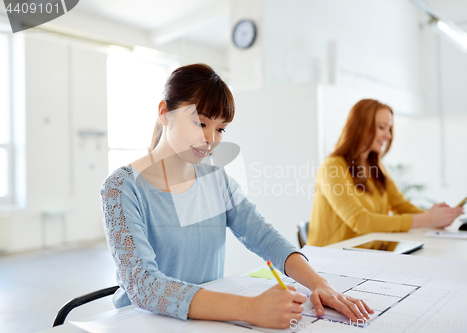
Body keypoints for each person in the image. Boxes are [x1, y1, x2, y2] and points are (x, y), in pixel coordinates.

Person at [100, 64, 373, 329]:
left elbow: (262, 235)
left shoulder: (216, 179)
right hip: (140, 324)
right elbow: (143, 285)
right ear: (164, 112)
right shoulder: (121, 187)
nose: (210, 139)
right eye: (200, 123)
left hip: (203, 321)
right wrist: (250, 309)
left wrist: (318, 283)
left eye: (220, 129)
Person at [307, 99, 464, 246]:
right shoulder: (332, 167)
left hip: (367, 255)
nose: (388, 136)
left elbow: (400, 205)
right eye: (382, 127)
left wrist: (435, 217)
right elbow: (359, 221)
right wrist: (427, 219)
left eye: (389, 129)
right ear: (360, 127)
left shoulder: (375, 166)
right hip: (330, 260)